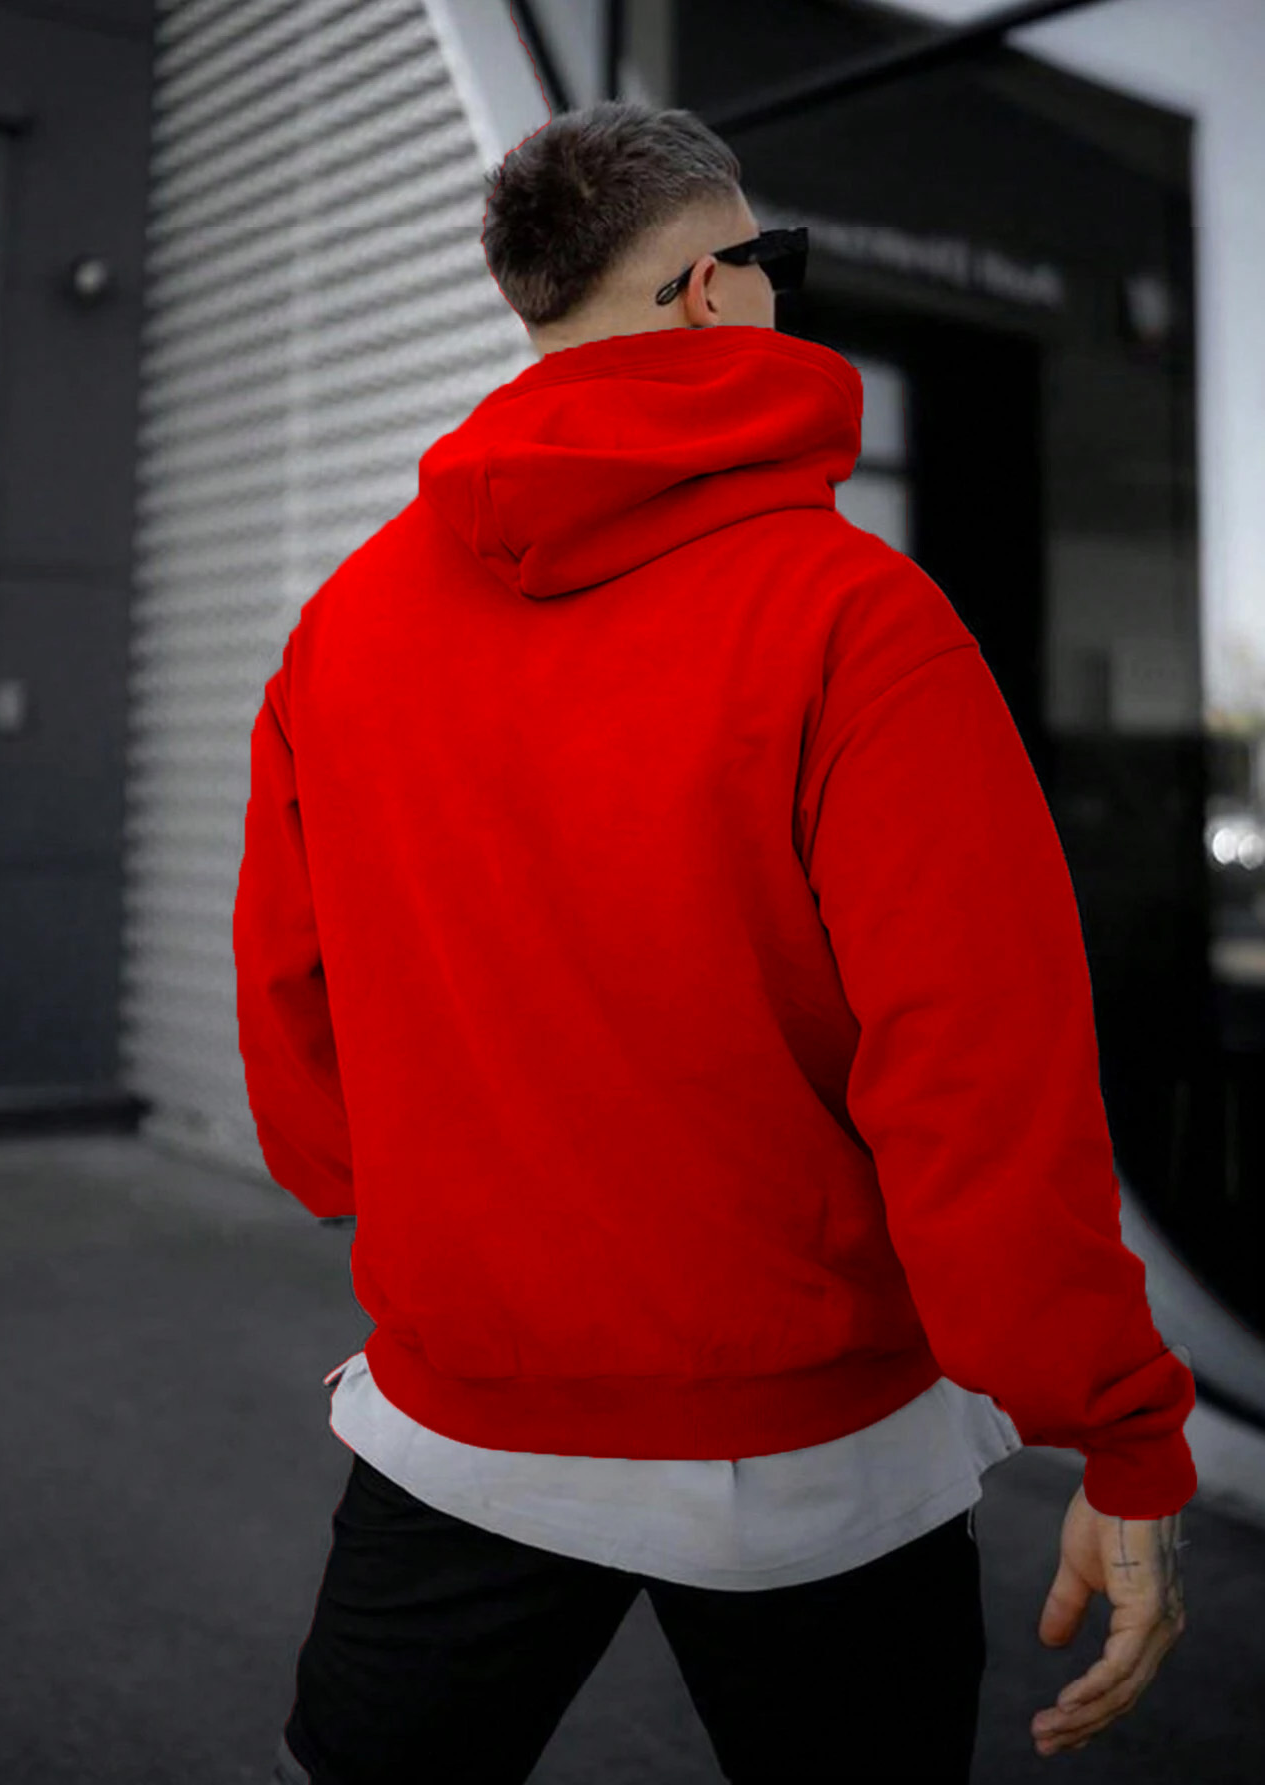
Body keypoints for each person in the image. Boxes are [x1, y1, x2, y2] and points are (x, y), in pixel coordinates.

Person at [233, 100, 1195, 1785]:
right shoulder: (855, 619)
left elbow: (292, 998)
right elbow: (979, 1075)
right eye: (775, 259)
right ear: (705, 288)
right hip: (807, 1452)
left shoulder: (347, 625)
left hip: (460, 1417)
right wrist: (1119, 1431)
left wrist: (417, 1208)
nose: (779, 291)